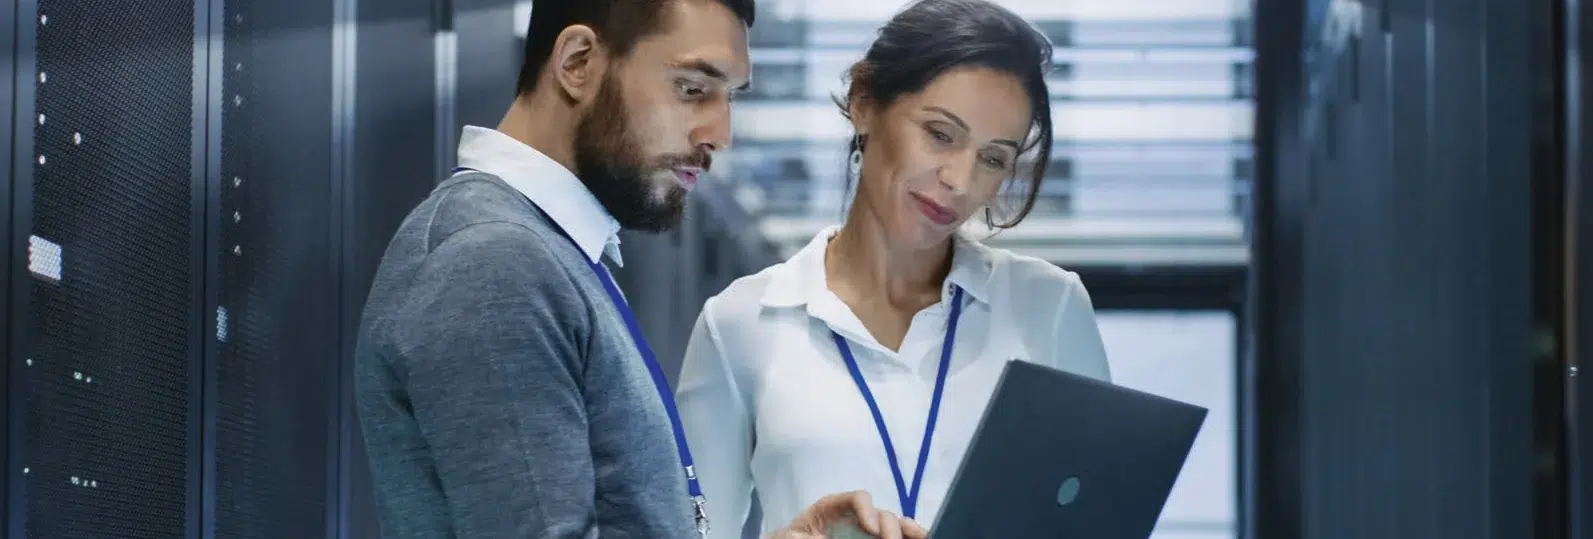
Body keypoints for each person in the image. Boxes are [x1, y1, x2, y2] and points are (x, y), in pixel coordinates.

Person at [353, 0, 923, 537]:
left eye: (731, 98)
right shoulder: (494, 262)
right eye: (692, 89)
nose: (720, 134)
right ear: (577, 63)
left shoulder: (550, 251)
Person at [674, 0, 1112, 537]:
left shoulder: (1050, 307)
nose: (959, 179)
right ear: (864, 103)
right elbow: (685, 531)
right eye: (940, 134)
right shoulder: (741, 323)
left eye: (993, 158)